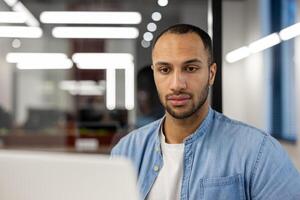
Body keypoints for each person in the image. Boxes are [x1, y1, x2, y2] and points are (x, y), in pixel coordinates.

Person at [111, 24, 300, 200]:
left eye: (190, 68)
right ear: (154, 73)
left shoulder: (258, 153)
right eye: (165, 69)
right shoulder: (126, 152)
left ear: (211, 73)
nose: (177, 84)